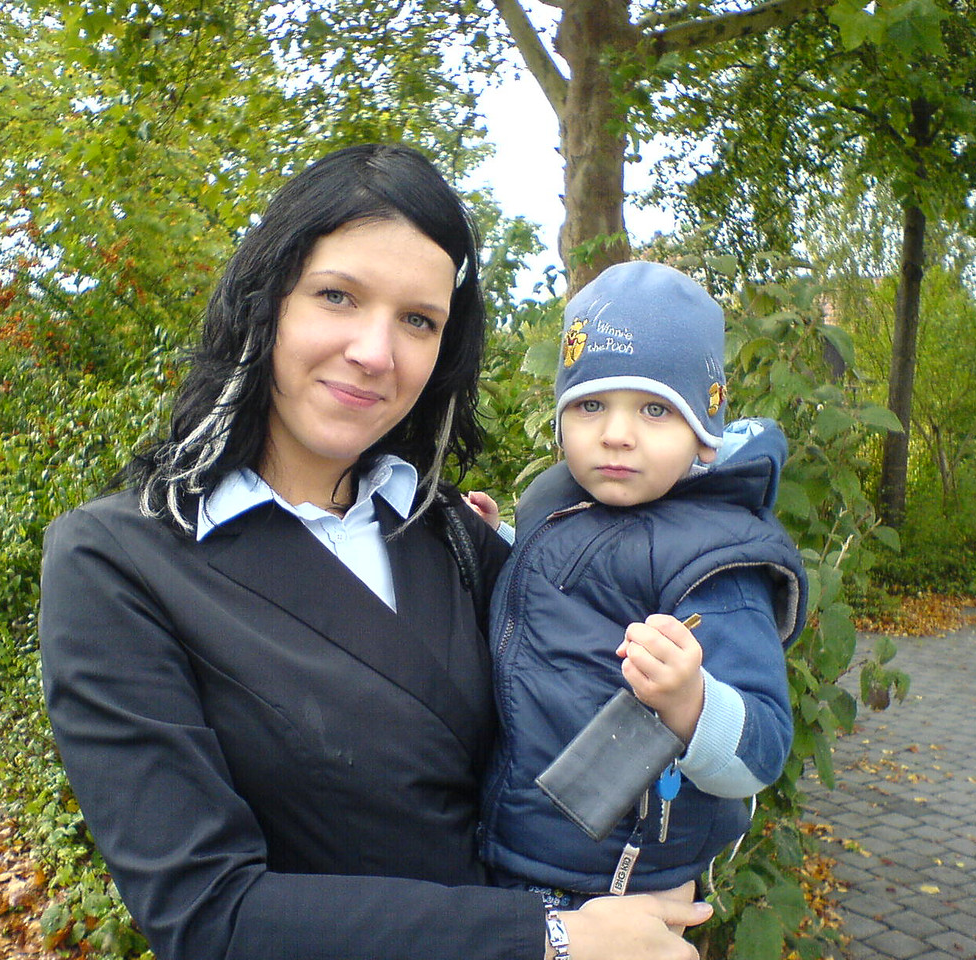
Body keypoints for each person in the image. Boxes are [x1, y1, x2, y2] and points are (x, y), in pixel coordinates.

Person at [38, 145, 711, 960]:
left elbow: (603, 710)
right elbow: (208, 913)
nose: (375, 352)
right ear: (266, 300)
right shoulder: (118, 563)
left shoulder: (452, 534)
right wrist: (554, 940)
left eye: (418, 320)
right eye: (337, 296)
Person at [478, 260, 808, 913]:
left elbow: (763, 750)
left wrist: (691, 703)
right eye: (591, 405)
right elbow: (565, 587)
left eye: (655, 409)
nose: (616, 434)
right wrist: (503, 541)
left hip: (609, 886)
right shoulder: (562, 499)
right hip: (516, 843)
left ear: (704, 434)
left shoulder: (714, 561)